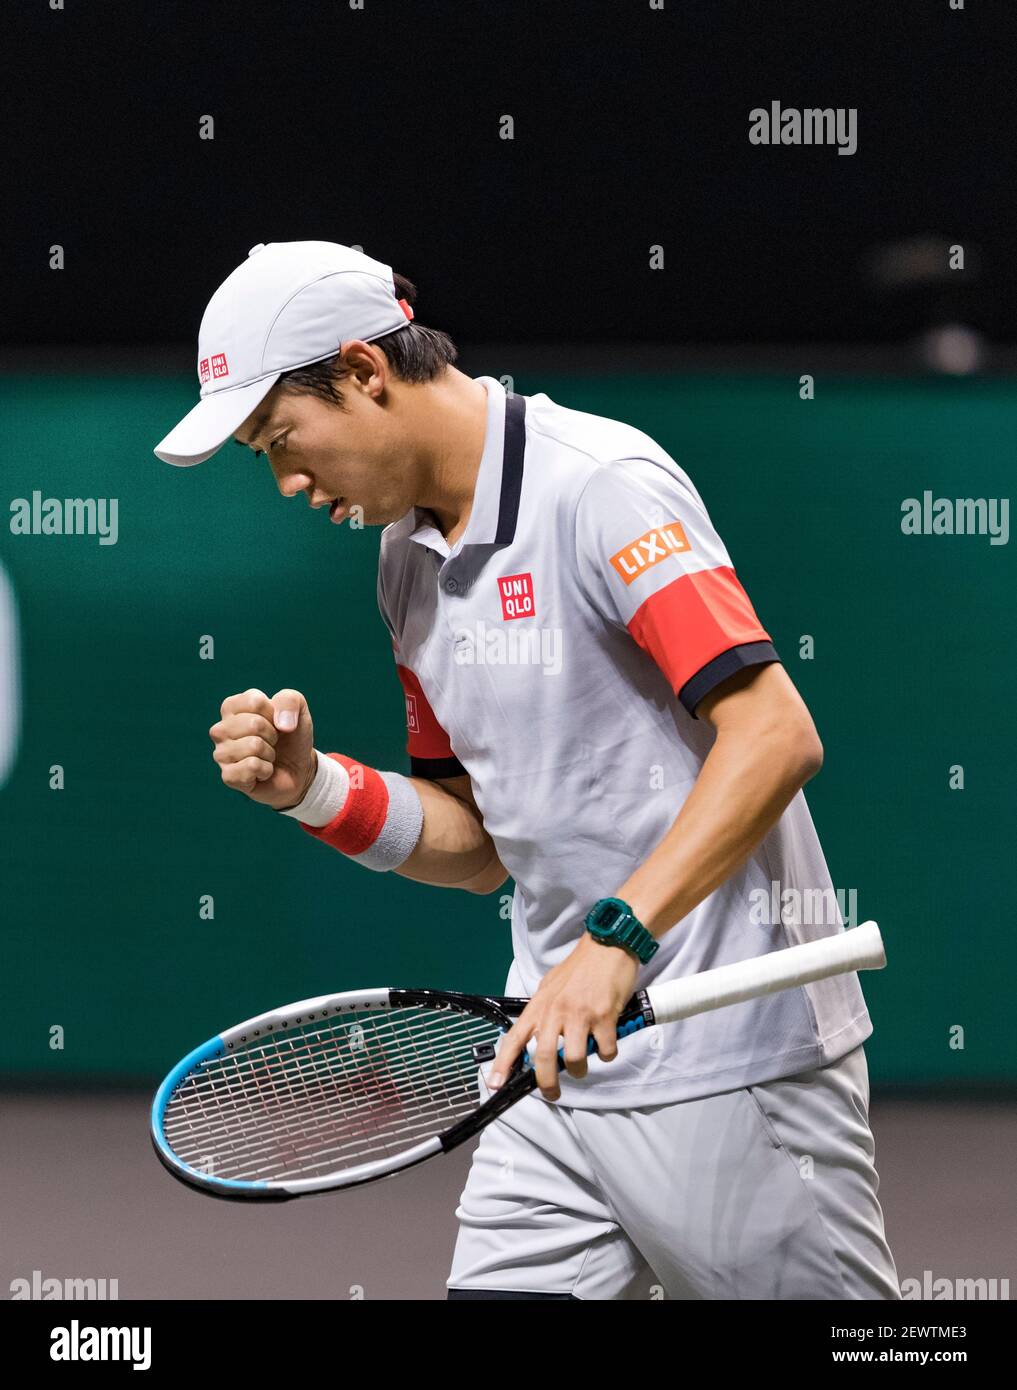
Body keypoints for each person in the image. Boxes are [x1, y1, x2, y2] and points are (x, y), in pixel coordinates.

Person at [154, 240, 900, 1301]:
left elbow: (777, 735)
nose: (285, 481)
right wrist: (315, 788)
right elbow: (479, 848)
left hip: (729, 1056)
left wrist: (618, 938)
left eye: (282, 439)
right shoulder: (402, 563)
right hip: (550, 1061)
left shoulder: (604, 488)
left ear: (366, 373)